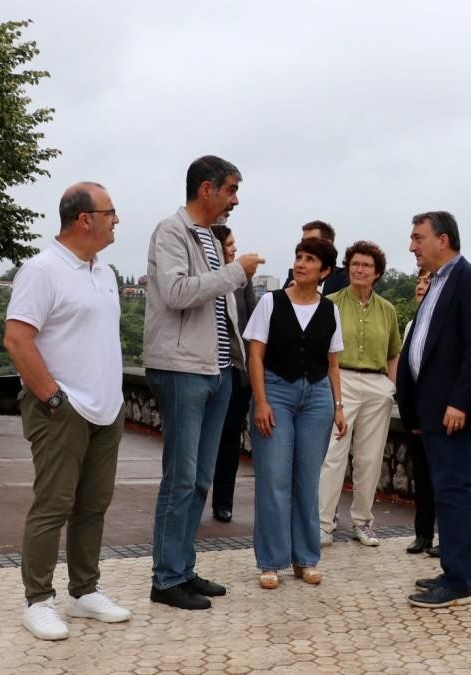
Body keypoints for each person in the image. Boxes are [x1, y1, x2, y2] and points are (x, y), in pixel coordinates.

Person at [4, 182, 131, 640]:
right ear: (84, 219)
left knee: (93, 505)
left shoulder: (104, 271)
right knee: (53, 505)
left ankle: (84, 591)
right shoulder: (42, 270)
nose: (117, 219)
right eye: (111, 212)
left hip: (106, 408)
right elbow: (18, 339)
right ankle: (37, 600)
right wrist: (53, 398)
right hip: (63, 408)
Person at [144, 155, 264, 610]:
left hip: (215, 371)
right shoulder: (171, 231)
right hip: (182, 369)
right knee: (180, 477)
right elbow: (176, 293)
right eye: (231, 189)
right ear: (207, 189)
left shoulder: (210, 239)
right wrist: (237, 272)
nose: (235, 200)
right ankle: (166, 578)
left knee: (198, 478)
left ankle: (182, 568)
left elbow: (218, 302)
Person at [396, 211, 471, 609]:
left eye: (418, 237)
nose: (412, 246)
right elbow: (424, 346)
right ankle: (463, 571)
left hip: (456, 411)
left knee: (454, 492)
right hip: (433, 411)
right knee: (449, 491)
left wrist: (459, 402)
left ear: (443, 240)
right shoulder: (436, 284)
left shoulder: (470, 281)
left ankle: (457, 579)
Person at [245, 237, 348, 589]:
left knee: (308, 480)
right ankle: (271, 561)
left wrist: (338, 406)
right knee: (274, 479)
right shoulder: (270, 303)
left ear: (325, 271)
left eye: (310, 259)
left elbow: (333, 364)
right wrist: (261, 402)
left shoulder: (330, 309)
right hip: (276, 390)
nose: (301, 264)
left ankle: (306, 558)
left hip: (318, 395)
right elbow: (255, 355)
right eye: (299, 257)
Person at [318, 241, 402, 547]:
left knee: (370, 458)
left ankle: (363, 522)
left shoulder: (388, 310)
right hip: (342, 380)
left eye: (366, 265)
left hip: (377, 385)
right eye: (354, 264)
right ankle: (323, 524)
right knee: (333, 455)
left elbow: (394, 352)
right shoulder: (330, 303)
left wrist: (391, 387)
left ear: (377, 272)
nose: (359, 269)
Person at [209, 220, 257, 523]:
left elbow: (252, 325)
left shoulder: (243, 282)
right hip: (205, 369)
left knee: (229, 440)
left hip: (237, 372)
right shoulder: (205, 279)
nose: (234, 249)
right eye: (229, 245)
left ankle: (222, 500)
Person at [402, 270, 437, 555]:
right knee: (422, 478)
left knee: (446, 481)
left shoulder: (444, 323)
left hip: (441, 414)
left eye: (428, 282)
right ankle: (423, 534)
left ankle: (448, 539)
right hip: (417, 415)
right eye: (419, 282)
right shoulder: (412, 325)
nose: (421, 287)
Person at [283, 221, 348, 294]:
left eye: (312, 240)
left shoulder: (343, 278)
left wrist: (305, 290)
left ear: (328, 244)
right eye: (303, 241)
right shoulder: (294, 275)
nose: (305, 245)